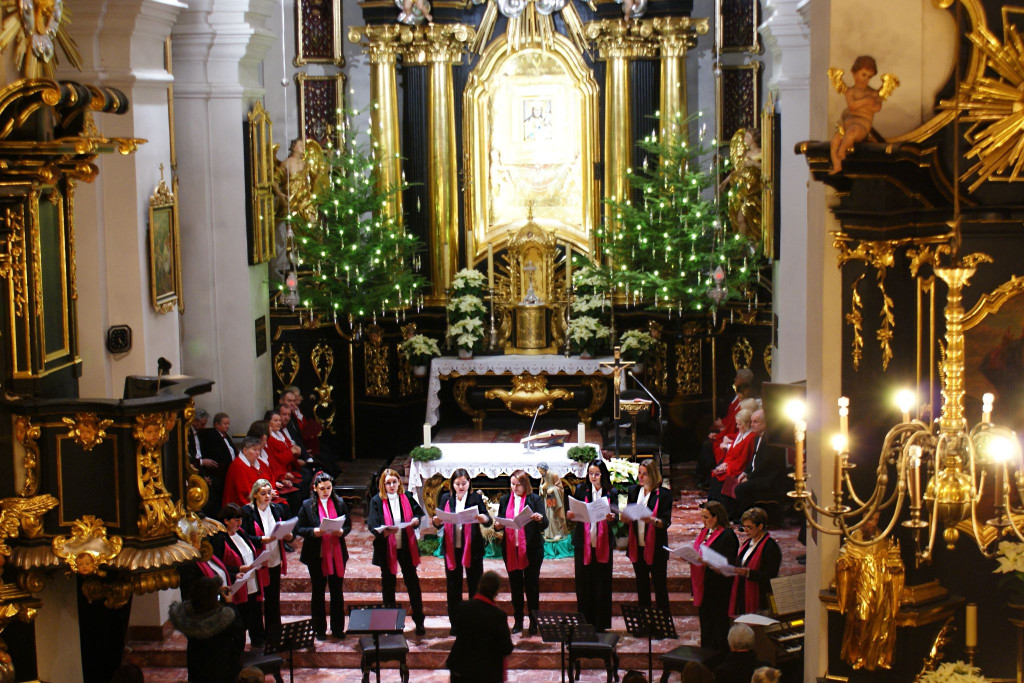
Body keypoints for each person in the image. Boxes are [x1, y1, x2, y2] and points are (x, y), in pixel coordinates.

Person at [431, 468, 492, 635]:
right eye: (457, 484)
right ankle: (456, 624)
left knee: (475, 586)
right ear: (452, 484)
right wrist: (436, 521)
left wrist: (483, 518)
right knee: (453, 588)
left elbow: (487, 520)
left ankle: (474, 623)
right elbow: (438, 521)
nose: (461, 487)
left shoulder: (475, 498)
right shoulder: (446, 498)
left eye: (464, 483)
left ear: (469, 483)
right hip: (452, 549)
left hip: (472, 548)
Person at [368, 468, 427, 635]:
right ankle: (390, 624)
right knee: (388, 585)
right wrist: (385, 531)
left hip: (406, 546)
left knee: (412, 583)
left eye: (395, 482)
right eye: (388, 483)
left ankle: (419, 621)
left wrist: (415, 520)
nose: (392, 485)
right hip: (386, 547)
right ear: (383, 484)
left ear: (399, 482)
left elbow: (417, 513)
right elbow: (372, 525)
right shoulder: (376, 501)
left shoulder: (406, 496)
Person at [295, 471, 351, 640]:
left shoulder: (339, 503)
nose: (326, 491)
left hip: (336, 553)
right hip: (316, 554)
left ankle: (337, 628)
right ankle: (319, 630)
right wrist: (314, 531)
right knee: (318, 592)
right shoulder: (307, 505)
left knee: (337, 591)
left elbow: (348, 525)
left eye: (328, 488)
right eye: (322, 488)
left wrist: (342, 531)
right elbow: (299, 528)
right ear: (315, 488)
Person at [566, 460, 618, 631]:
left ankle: (601, 624)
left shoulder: (611, 492)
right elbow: (573, 511)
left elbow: (616, 515)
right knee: (584, 584)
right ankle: (585, 623)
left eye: (596, 474)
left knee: (602, 584)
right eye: (590, 473)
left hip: (603, 543)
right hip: (584, 543)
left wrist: (612, 517)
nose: (593, 477)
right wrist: (570, 515)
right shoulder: (582, 489)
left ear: (603, 475)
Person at [494, 469, 547, 635]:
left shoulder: (534, 499)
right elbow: (500, 521)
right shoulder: (505, 500)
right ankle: (518, 620)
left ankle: (533, 621)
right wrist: (498, 526)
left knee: (531, 586)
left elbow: (545, 523)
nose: (514, 487)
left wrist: (539, 518)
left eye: (518, 484)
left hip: (532, 549)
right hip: (511, 548)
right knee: (515, 586)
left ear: (525, 485)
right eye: (512, 484)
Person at [168, 576, 246, 683]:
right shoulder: (223, 619)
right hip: (221, 667)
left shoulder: (186, 618)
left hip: (196, 667)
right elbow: (239, 630)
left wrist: (214, 591)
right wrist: (230, 604)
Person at [242, 478, 293, 637]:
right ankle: (257, 636)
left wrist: (288, 535)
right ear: (255, 495)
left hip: (274, 557)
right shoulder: (247, 512)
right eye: (263, 493)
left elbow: (284, 528)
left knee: (273, 597)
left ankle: (274, 632)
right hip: (257, 560)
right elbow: (245, 536)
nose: (267, 496)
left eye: (269, 493)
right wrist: (262, 540)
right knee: (257, 599)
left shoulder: (277, 509)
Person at [210, 503, 265, 648]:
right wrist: (238, 570)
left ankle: (258, 642)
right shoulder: (219, 539)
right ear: (226, 521)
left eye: (240, 519)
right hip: (237, 586)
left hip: (252, 582)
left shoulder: (241, 533)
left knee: (255, 614)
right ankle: (238, 649)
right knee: (241, 622)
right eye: (236, 519)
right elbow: (218, 566)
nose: (240, 522)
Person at [446, 570, 514, 682]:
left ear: (479, 585)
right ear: (496, 591)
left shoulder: (462, 608)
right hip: (485, 674)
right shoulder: (498, 616)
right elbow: (507, 648)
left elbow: (457, 630)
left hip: (460, 670)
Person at [690, 500, 738, 652]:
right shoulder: (704, 532)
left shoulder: (728, 535)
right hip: (704, 583)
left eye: (706, 517)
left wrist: (712, 563)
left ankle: (719, 655)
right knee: (706, 624)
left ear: (716, 517)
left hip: (718, 587)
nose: (703, 521)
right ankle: (706, 653)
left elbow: (730, 562)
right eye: (702, 517)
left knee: (718, 624)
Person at [626, 459, 672, 615]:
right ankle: (645, 622)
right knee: (642, 586)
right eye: (639, 473)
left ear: (653, 475)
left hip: (656, 547)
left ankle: (663, 623)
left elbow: (665, 522)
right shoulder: (633, 491)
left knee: (660, 588)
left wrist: (652, 520)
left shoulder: (664, 494)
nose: (640, 477)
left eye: (644, 474)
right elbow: (629, 514)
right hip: (637, 545)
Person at [696, 369, 754, 488]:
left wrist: (722, 437)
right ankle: (703, 476)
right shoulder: (738, 403)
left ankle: (704, 478)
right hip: (732, 437)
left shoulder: (747, 416)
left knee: (708, 446)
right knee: (708, 443)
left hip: (734, 448)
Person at [829, 55, 883, 174]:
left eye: (869, 77)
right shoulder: (850, 92)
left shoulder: (872, 92)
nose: (866, 79)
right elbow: (852, 107)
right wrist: (867, 101)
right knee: (835, 140)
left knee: (852, 132)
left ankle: (842, 150)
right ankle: (837, 165)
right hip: (846, 124)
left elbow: (877, 108)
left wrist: (873, 100)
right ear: (854, 73)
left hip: (861, 126)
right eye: (864, 75)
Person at [731, 409, 787, 518]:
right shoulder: (757, 437)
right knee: (734, 480)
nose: (752, 425)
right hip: (759, 475)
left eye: (755, 422)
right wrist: (745, 473)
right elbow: (754, 460)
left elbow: (765, 465)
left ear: (765, 423)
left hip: (769, 478)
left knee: (740, 489)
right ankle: (734, 514)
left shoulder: (771, 440)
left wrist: (749, 477)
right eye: (751, 421)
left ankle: (747, 517)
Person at [729, 507, 782, 617]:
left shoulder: (770, 547)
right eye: (744, 527)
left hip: (759, 598)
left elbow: (770, 576)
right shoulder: (748, 542)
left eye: (749, 527)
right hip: (743, 593)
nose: (746, 530)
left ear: (760, 526)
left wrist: (749, 573)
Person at [709, 409, 757, 517]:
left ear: (746, 424)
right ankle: (714, 507)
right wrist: (725, 464)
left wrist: (728, 467)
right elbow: (731, 454)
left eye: (739, 424)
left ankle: (726, 511)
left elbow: (744, 460)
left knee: (723, 477)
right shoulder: (741, 434)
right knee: (716, 474)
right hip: (732, 464)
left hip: (740, 467)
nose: (737, 426)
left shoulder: (751, 437)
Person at [197, 411, 235, 516]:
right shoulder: (211, 436)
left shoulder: (225, 436)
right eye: (225, 424)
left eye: (228, 424)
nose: (227, 426)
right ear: (217, 424)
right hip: (217, 473)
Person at [222, 436, 273, 507]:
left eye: (259, 450)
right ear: (245, 451)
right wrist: (266, 494)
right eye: (254, 450)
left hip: (263, 498)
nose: (258, 453)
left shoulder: (259, 462)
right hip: (243, 505)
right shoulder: (238, 466)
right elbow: (245, 493)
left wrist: (271, 492)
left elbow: (270, 477)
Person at [537, 461, 567, 541]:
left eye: (541, 471)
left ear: (544, 469)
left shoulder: (554, 475)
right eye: (539, 472)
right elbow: (545, 484)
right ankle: (548, 534)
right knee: (547, 515)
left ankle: (557, 533)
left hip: (554, 497)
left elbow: (560, 488)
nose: (540, 473)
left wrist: (553, 489)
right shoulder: (544, 476)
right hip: (548, 497)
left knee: (553, 515)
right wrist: (542, 487)